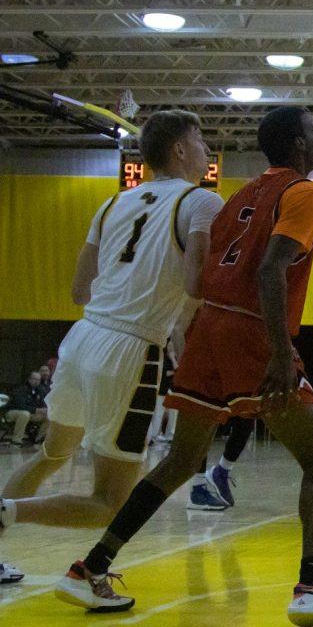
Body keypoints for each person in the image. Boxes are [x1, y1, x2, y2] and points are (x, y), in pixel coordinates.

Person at [55, 107, 313, 626]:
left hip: (209, 327)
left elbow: (209, 269)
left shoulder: (239, 195)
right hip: (250, 330)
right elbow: (272, 269)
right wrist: (279, 353)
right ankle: (312, 584)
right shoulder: (305, 193)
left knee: (181, 462)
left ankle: (89, 568)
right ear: (298, 146)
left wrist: (196, 332)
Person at [0, 112, 222, 600]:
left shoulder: (111, 204)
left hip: (82, 337)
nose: (206, 148)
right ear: (180, 150)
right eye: (200, 139)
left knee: (51, 453)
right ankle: (10, 514)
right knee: (108, 501)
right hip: (130, 348)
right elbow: (195, 285)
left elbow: (79, 290)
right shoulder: (202, 200)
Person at [2, 371, 47, 447]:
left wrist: (45, 409)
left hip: (30, 413)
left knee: (49, 416)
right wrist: (37, 410)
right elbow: (21, 406)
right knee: (24, 413)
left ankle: (38, 439)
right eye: (34, 379)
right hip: (12, 413)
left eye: (38, 380)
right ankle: (16, 441)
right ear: (29, 379)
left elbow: (42, 404)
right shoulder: (20, 388)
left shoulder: (39, 391)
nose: (36, 381)